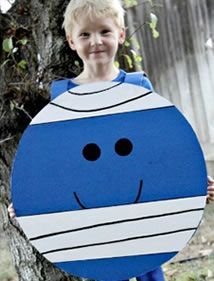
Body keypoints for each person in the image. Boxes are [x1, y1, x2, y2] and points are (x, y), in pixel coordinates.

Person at [8, 0, 214, 280]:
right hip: (91, 215)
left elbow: (159, 146)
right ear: (71, 41)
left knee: (147, 264)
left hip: (140, 209)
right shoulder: (62, 97)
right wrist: (30, 201)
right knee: (102, 266)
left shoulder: (138, 87)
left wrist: (193, 181)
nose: (96, 41)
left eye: (104, 31)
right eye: (85, 34)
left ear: (121, 34)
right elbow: (57, 161)